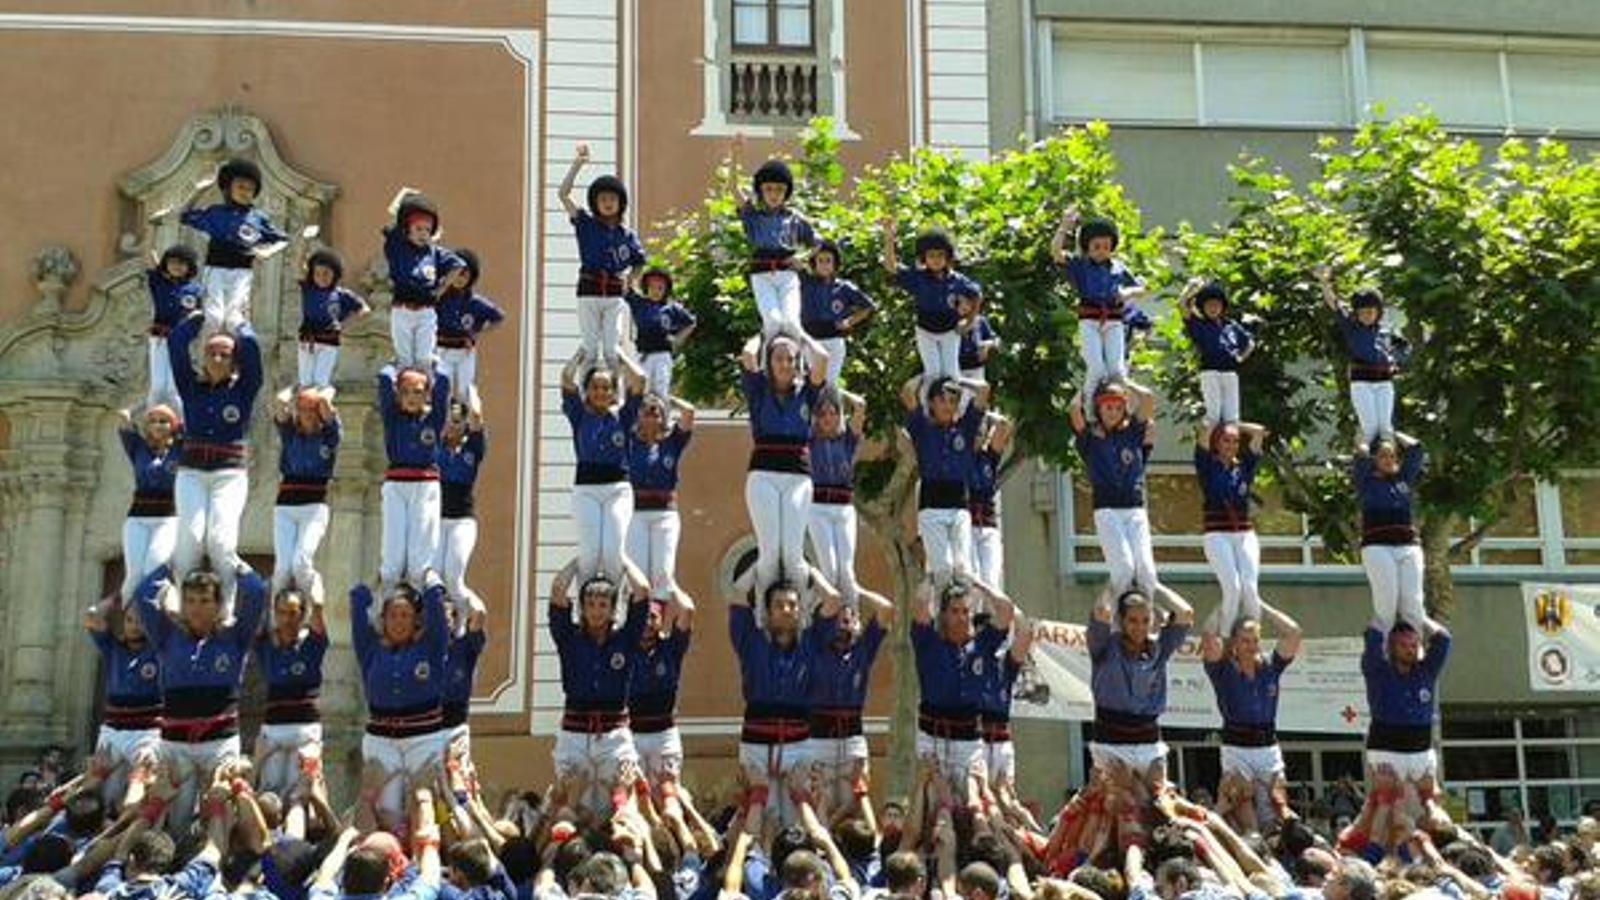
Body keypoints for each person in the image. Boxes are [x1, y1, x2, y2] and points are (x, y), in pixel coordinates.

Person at [132, 564, 267, 835]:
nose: (196, 607)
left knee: (218, 816)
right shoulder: (167, 636)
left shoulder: (235, 638)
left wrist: (233, 564)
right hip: (176, 744)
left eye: (205, 600)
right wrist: (169, 566)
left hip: (219, 744)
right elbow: (142, 595)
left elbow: (257, 593)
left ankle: (212, 869)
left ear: (219, 604)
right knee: (177, 820)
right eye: (190, 600)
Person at [167, 310, 263, 612]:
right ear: (204, 357)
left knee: (221, 543)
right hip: (192, 473)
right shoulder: (190, 387)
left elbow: (254, 355)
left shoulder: (244, 390)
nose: (218, 359)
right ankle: (183, 611)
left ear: (234, 361)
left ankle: (225, 613)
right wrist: (199, 320)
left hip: (228, 475)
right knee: (189, 544)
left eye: (225, 354)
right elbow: (175, 344)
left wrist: (240, 326)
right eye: (212, 353)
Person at [350, 576, 451, 833]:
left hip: (424, 738)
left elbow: (437, 611)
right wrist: (381, 581)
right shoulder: (370, 648)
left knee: (423, 804)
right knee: (386, 810)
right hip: (381, 741)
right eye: (393, 615)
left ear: (417, 620)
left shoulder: (431, 647)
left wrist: (426, 581)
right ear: (383, 620)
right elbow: (357, 600)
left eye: (406, 615)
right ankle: (389, 862)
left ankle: (423, 863)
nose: (398, 621)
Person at [547, 559, 649, 811]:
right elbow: (558, 589)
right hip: (573, 733)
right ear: (581, 608)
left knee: (619, 807)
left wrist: (621, 559)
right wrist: (584, 558)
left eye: (603, 605)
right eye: (590, 604)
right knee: (570, 806)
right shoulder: (567, 637)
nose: (596, 611)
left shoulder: (626, 639)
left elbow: (643, 590)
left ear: (614, 610)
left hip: (614, 734)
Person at [911, 578, 1019, 804]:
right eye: (954, 611)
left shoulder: (983, 644)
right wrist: (933, 577)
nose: (961, 617)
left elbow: (1006, 610)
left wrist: (979, 583)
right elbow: (920, 604)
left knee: (976, 805)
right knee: (933, 805)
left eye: (966, 611)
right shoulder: (929, 642)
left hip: (968, 739)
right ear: (944, 615)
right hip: (932, 736)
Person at [1201, 603, 1303, 834]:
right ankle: (1251, 846)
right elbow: (1208, 637)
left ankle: (1280, 855)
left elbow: (1293, 633)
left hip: (1268, 747)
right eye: (1245, 641)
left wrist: (1260, 606)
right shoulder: (1223, 669)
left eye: (1255, 640)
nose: (1251, 646)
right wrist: (1229, 599)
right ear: (1234, 643)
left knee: (1278, 809)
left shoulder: (1270, 666)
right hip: (1237, 748)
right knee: (1244, 808)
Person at [741, 333, 830, 596]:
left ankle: (799, 617)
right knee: (769, 553)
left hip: (798, 476)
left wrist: (800, 335)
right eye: (778, 359)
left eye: (790, 359)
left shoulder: (807, 393)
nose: (785, 364)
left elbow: (823, 359)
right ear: (769, 362)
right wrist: (767, 333)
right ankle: (762, 616)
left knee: (793, 554)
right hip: (763, 475)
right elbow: (748, 355)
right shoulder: (758, 389)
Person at [731, 576, 822, 828]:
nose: (786, 610)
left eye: (793, 605)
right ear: (767, 612)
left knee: (798, 825)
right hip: (756, 744)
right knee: (760, 821)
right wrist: (759, 568)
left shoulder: (811, 644)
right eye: (779, 605)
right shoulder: (752, 642)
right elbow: (737, 595)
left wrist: (811, 572)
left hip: (799, 744)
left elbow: (834, 601)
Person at [1087, 584, 1195, 792]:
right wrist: (1116, 581)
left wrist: (1152, 586)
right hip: (1111, 743)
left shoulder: (1159, 648)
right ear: (1122, 621)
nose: (1140, 627)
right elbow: (1101, 611)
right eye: (1133, 621)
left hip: (1148, 743)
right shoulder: (1105, 646)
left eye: (1146, 621)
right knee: (1121, 810)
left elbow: (1185, 613)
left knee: (1159, 804)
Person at [168, 158, 289, 336]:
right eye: (240, 187)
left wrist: (268, 251)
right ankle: (205, 358)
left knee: (235, 319)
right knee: (213, 318)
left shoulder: (258, 218)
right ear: (228, 188)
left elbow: (283, 239)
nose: (245, 192)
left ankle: (237, 357)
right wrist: (199, 189)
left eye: (250, 188)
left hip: (242, 272)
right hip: (215, 269)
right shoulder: (215, 213)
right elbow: (184, 215)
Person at [805, 587, 894, 817]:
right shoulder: (812, 646)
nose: (848, 621)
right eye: (841, 618)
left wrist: (854, 589)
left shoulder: (863, 650)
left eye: (853, 617)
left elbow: (885, 609)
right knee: (818, 802)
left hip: (853, 738)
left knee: (856, 801)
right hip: (818, 738)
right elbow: (825, 606)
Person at [559, 142, 646, 372]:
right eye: (603, 199)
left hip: (615, 295)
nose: (607, 203)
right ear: (595, 204)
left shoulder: (627, 235)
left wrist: (632, 279)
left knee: (611, 350)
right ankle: (583, 392)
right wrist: (577, 165)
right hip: (589, 291)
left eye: (612, 199)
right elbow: (563, 194)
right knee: (589, 349)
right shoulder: (586, 223)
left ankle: (614, 396)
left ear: (620, 204)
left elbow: (639, 262)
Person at [902, 376, 994, 589]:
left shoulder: (966, 428)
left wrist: (958, 379)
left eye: (952, 401)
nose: (947, 406)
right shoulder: (922, 428)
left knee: (963, 569)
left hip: (959, 505)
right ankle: (940, 618)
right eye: (942, 400)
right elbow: (907, 392)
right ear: (932, 403)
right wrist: (931, 376)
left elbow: (983, 391)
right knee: (942, 569)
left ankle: (966, 617)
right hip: (931, 507)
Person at [561, 351, 645, 583]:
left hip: (618, 490)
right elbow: (566, 379)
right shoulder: (579, 414)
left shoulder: (624, 416)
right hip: (585, 491)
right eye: (595, 387)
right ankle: (583, 606)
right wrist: (579, 356)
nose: (600, 392)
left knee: (612, 551)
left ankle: (615, 608)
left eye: (606, 388)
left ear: (613, 393)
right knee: (589, 553)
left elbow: (640, 380)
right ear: (587, 392)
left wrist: (621, 357)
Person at [1070, 379, 1158, 598]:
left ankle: (1145, 621)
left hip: (1135, 509)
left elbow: (1147, 398)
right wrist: (1088, 386)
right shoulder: (1090, 438)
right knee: (1124, 570)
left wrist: (1124, 380)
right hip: (1107, 511)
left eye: (1119, 407)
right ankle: (1118, 624)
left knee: (1147, 573)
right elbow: (1074, 409)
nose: (1113, 412)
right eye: (1108, 407)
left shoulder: (1134, 432)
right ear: (1098, 408)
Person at [731, 139, 816, 344]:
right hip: (762, 274)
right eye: (768, 189)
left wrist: (803, 258)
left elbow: (818, 244)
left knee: (792, 323)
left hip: (787, 274)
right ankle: (767, 368)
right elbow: (733, 188)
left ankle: (799, 369)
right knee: (773, 321)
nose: (774, 194)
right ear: (761, 191)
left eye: (779, 189)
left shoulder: (795, 218)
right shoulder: (753, 216)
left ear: (786, 192)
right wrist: (735, 156)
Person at [1053, 206, 1146, 392]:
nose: (1102, 251)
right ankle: (1089, 411)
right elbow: (1056, 252)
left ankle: (1120, 410)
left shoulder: (1118, 267)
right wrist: (1064, 227)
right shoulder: (1080, 265)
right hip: (1090, 319)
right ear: (1087, 247)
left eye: (1106, 247)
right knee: (1096, 370)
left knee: (1117, 371)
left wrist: (1128, 293)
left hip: (1114, 320)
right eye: (1096, 247)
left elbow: (1142, 289)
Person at [377, 363, 452, 592]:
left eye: (418, 392)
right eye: (405, 391)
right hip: (396, 484)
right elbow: (383, 380)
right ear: (398, 393)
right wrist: (396, 364)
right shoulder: (392, 416)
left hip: (425, 485)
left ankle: (422, 608)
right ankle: (385, 608)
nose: (411, 397)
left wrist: (434, 365)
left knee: (419, 561)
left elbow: (444, 387)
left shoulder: (434, 420)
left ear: (427, 395)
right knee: (392, 561)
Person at [83, 596, 161, 812]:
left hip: (148, 733)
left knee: (138, 795)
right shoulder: (112, 647)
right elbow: (91, 617)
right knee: (104, 796)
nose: (134, 626)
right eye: (129, 620)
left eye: (140, 621)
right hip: (113, 733)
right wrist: (120, 597)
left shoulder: (159, 649)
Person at [1194, 421, 1269, 635]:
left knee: (1250, 590)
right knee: (1233, 589)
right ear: (1216, 443)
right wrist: (1221, 423)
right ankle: (1226, 638)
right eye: (1226, 440)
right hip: (1217, 534)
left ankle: (1253, 639)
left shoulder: (1243, 467)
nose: (1231, 445)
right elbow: (1204, 431)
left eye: (1235, 441)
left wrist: (1235, 424)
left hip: (1244, 533)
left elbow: (1259, 432)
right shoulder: (1206, 464)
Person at [1319, 267, 1408, 445]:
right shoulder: (1351, 327)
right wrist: (1324, 282)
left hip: (1384, 382)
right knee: (1369, 427)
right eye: (1362, 312)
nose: (1366, 316)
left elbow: (1404, 350)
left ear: (1378, 312)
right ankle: (1363, 465)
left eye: (1370, 312)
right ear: (1356, 313)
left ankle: (1390, 466)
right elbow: (1333, 303)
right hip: (1362, 382)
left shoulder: (1387, 330)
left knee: (1385, 428)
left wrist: (1396, 363)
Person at [884, 221, 981, 384]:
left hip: (950, 332)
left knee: (952, 375)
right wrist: (888, 238)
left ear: (948, 256)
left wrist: (969, 322)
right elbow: (891, 267)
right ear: (924, 257)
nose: (936, 260)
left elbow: (977, 295)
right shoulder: (918, 277)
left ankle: (956, 407)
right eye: (931, 255)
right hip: (925, 332)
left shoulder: (957, 280)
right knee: (933, 374)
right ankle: (927, 408)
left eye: (940, 255)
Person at [254, 586, 328, 798]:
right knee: (269, 795)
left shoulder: (313, 645)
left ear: (302, 615)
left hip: (305, 730)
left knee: (301, 794)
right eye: (282, 612)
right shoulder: (266, 645)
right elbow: (255, 616)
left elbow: (319, 614)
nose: (287, 619)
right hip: (273, 730)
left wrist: (315, 595)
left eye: (293, 612)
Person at [382, 189, 465, 368]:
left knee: (424, 358)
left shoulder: (435, 253)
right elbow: (394, 222)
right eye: (418, 229)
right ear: (407, 229)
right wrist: (404, 202)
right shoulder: (397, 247)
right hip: (402, 310)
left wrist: (441, 289)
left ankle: (426, 392)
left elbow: (458, 265)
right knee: (404, 359)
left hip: (426, 312)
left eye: (427, 230)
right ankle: (403, 391)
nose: (423, 234)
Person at [272, 388, 340, 602]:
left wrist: (323, 393)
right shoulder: (291, 433)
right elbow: (279, 404)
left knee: (301, 562)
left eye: (312, 409)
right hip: (285, 505)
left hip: (314, 506)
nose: (307, 414)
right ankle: (275, 618)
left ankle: (312, 606)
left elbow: (329, 413)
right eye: (302, 409)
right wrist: (295, 389)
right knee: (283, 568)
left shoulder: (329, 436)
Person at [1355, 432, 1427, 631]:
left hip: (1408, 546)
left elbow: (1417, 448)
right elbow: (1361, 450)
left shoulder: (1403, 479)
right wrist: (1369, 436)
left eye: (1393, 456)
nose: (1389, 460)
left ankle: (1414, 652)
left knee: (1413, 604)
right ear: (1374, 460)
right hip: (1378, 547)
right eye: (1383, 456)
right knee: (1387, 604)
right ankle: (1381, 652)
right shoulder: (1366, 481)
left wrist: (1390, 431)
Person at [628, 588, 694, 804]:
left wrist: (669, 584)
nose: (647, 622)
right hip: (631, 736)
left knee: (668, 797)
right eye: (643, 617)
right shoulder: (622, 647)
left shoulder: (671, 648)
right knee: (635, 797)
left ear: (661, 620)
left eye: (653, 617)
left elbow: (687, 610)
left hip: (664, 736)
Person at [625, 393, 693, 603]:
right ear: (638, 418)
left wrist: (667, 398)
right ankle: (637, 625)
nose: (652, 416)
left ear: (664, 418)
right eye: (647, 411)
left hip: (665, 515)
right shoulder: (628, 442)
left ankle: (657, 625)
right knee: (638, 574)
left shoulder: (673, 442)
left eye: (657, 412)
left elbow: (689, 412)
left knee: (663, 574)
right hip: (636, 514)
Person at [116, 405, 182, 604]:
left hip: (167, 518)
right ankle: (130, 617)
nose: (158, 425)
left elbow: (193, 422)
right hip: (137, 518)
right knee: (134, 574)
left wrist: (172, 405)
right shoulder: (138, 447)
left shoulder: (181, 448)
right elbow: (122, 417)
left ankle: (160, 615)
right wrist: (147, 404)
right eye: (153, 421)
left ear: (173, 425)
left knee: (154, 569)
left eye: (164, 421)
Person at [808, 387, 866, 607]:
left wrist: (834, 388)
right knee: (830, 570)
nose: (828, 418)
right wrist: (820, 389)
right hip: (818, 508)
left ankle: (852, 620)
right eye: (822, 414)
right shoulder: (811, 440)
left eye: (833, 413)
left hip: (844, 509)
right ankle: (819, 617)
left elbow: (860, 406)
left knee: (847, 572)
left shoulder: (848, 439)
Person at [1180, 278, 1254, 427]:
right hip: (1210, 372)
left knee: (1232, 418)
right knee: (1213, 416)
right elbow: (1182, 306)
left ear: (1222, 306)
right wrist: (1189, 290)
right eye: (1209, 305)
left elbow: (1250, 342)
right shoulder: (1198, 324)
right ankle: (1207, 447)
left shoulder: (1231, 325)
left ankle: (1228, 447)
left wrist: (1241, 357)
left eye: (1216, 304)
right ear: (1203, 307)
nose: (1213, 308)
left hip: (1231, 372)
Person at [438, 398, 488, 616]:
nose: (451, 425)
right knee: (435, 578)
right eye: (447, 420)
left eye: (457, 421)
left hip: (462, 521)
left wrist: (471, 392)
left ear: (464, 425)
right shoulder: (433, 447)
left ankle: (469, 619)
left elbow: (477, 418)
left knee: (453, 576)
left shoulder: (473, 449)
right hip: (436, 521)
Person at [800, 240, 876, 383]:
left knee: (829, 385)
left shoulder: (844, 287)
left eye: (828, 260)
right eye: (820, 260)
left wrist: (849, 322)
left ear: (835, 263)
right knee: (810, 383)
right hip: (810, 340)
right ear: (813, 263)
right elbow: (795, 263)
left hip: (834, 340)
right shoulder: (805, 282)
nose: (824, 264)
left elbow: (868, 306)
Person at [435, 248, 505, 403]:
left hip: (465, 352)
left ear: (472, 277)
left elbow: (498, 317)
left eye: (465, 275)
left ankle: (466, 423)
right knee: (441, 388)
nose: (460, 279)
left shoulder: (476, 303)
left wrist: (477, 332)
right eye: (457, 273)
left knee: (465, 392)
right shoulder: (439, 298)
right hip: (441, 349)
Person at [295, 248, 369, 389]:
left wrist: (344, 324)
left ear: (335, 274)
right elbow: (298, 267)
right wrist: (303, 245)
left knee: (321, 382)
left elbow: (364, 309)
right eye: (317, 274)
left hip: (329, 341)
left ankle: (320, 406)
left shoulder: (341, 294)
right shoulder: (309, 289)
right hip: (307, 340)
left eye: (326, 274)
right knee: (305, 382)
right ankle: (306, 408)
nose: (322, 277)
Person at [139, 245, 202, 412]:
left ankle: (181, 424)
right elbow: (149, 258)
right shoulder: (158, 281)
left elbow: (199, 317)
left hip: (180, 341)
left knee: (174, 387)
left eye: (182, 263)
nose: (176, 266)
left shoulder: (196, 290)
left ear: (190, 267)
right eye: (172, 262)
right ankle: (153, 418)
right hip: (158, 338)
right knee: (158, 386)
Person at [626, 268, 696, 399]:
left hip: (662, 355)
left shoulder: (672, 308)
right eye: (652, 287)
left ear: (666, 290)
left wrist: (678, 339)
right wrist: (636, 267)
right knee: (642, 390)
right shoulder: (639, 303)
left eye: (660, 288)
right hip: (643, 354)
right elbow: (627, 287)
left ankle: (662, 417)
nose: (656, 291)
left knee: (661, 391)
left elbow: (691, 322)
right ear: (646, 287)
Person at [968, 414, 1012, 592]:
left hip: (988, 526)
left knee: (991, 578)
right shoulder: (959, 455)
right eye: (974, 432)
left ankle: (989, 617)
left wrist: (985, 415)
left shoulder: (989, 458)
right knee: (973, 577)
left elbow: (1004, 424)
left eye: (980, 433)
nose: (977, 437)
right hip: (966, 526)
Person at [958, 300, 1000, 383]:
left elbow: (996, 340)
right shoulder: (951, 321)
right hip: (956, 369)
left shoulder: (981, 320)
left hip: (976, 368)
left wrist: (987, 345)